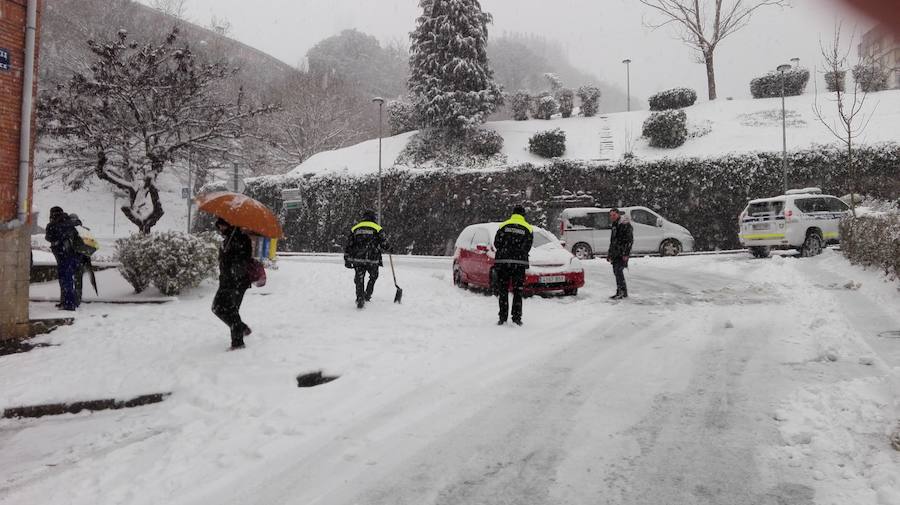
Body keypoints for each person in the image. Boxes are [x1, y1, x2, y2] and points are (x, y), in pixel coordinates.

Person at [211, 218, 253, 350]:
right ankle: (241, 328)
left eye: (223, 226)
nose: (221, 229)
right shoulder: (228, 239)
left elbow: (242, 260)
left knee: (230, 310)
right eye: (220, 227)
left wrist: (230, 255)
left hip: (236, 282)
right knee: (217, 308)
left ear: (231, 224)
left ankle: (238, 342)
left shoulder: (241, 239)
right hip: (226, 281)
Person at [493, 205, 533, 326]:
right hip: (519, 264)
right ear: (523, 215)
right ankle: (516, 318)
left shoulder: (503, 226)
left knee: (503, 290)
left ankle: (502, 317)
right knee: (518, 291)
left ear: (513, 214)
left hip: (503, 263)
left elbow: (496, 243)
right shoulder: (528, 228)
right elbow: (528, 247)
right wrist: (518, 252)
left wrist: (506, 251)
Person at [344, 210, 388, 309]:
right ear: (373, 218)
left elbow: (349, 245)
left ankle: (360, 297)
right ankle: (367, 294)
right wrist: (389, 248)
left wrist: (347, 258)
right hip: (373, 259)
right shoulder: (377, 228)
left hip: (358, 258)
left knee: (359, 278)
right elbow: (384, 243)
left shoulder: (355, 228)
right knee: (373, 276)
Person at [44, 206, 78, 311]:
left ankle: (68, 303)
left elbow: (48, 237)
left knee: (65, 280)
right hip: (72, 255)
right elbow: (75, 234)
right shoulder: (69, 222)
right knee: (68, 279)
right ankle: (68, 302)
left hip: (62, 255)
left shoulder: (53, 225)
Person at [607, 208, 633, 300]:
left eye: (614, 215)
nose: (612, 217)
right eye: (611, 215)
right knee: (616, 272)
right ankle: (620, 291)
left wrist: (626, 253)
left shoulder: (625, 225)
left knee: (619, 271)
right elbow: (612, 241)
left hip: (622, 252)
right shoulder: (614, 225)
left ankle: (622, 291)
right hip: (615, 252)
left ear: (618, 215)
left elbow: (629, 240)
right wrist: (610, 254)